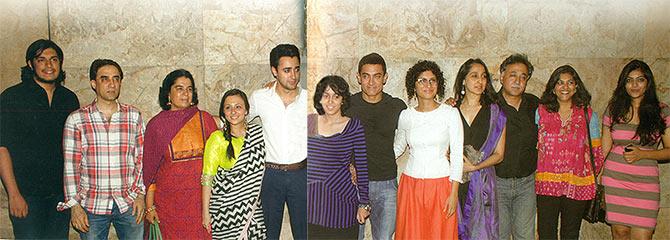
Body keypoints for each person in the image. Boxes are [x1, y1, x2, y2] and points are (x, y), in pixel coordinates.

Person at [0, 39, 79, 239]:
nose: (49, 65)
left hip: (61, 195)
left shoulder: (69, 98)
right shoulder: (12, 97)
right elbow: (2, 148)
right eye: (41, 59)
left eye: (54, 59)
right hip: (26, 195)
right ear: (30, 64)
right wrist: (14, 194)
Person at [58, 59, 146, 239]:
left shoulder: (133, 116)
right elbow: (71, 167)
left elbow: (141, 159)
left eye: (116, 79)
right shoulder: (77, 120)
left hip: (128, 203)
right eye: (104, 79)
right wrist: (74, 206)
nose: (111, 84)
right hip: (91, 205)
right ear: (93, 83)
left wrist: (140, 195)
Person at [142, 69, 218, 239]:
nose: (186, 94)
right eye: (180, 88)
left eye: (190, 89)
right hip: (168, 207)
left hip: (200, 204)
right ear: (168, 94)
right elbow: (150, 173)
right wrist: (150, 207)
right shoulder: (156, 125)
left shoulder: (204, 119)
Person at [394, 60, 463, 239]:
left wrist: (454, 192)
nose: (428, 85)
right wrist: (369, 160)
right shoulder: (406, 116)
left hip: (442, 186)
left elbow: (456, 154)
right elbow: (398, 147)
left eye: (432, 80)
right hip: (411, 186)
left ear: (438, 84)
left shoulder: (450, 113)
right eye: (422, 80)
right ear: (413, 86)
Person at [601, 60, 670, 240]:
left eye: (640, 80)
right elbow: (605, 148)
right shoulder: (614, 109)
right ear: (623, 84)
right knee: (619, 233)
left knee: (642, 236)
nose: (634, 85)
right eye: (629, 80)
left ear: (648, 83)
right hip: (615, 181)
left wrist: (643, 154)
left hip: (645, 185)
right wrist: (596, 175)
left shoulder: (662, 111)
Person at [535, 65, 604, 239]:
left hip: (577, 184)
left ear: (576, 87)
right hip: (547, 185)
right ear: (553, 87)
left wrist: (593, 179)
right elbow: (534, 146)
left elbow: (596, 151)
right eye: (560, 82)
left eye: (570, 82)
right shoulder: (541, 113)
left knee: (570, 234)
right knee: (546, 233)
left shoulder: (588, 115)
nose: (565, 87)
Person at [344, 53, 406, 240]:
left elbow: (421, 122)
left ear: (385, 78)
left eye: (377, 76)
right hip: (353, 185)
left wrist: (449, 106)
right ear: (358, 78)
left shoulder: (396, 106)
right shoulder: (347, 105)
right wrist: (348, 164)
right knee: (353, 237)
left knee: (385, 238)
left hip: (386, 184)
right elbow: (329, 138)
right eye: (366, 76)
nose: (371, 82)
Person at [248, 43, 307, 239]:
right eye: (287, 70)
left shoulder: (309, 99)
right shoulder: (260, 97)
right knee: (270, 233)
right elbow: (237, 119)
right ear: (274, 71)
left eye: (297, 69)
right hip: (271, 175)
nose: (294, 76)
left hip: (302, 174)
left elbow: (316, 138)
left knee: (304, 233)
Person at [307, 75, 370, 239]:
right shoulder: (310, 122)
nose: (330, 101)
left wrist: (364, 203)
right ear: (319, 99)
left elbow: (362, 167)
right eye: (326, 95)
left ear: (343, 100)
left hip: (342, 204)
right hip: (312, 204)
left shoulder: (353, 126)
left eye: (336, 96)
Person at [202, 89, 267, 239]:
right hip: (223, 213)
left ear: (246, 110)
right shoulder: (216, 139)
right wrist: (205, 213)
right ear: (223, 112)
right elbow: (207, 178)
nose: (233, 111)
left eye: (238, 106)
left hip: (252, 212)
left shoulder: (258, 135)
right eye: (228, 107)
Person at [453, 59, 506, 240]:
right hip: (455, 181)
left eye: (484, 77)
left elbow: (499, 154)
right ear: (463, 80)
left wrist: (475, 167)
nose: (480, 81)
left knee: (482, 232)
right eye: (474, 76)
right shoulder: (450, 111)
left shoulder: (495, 113)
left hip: (483, 181)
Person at [494, 54, 539, 240]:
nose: (518, 81)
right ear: (502, 75)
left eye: (523, 76)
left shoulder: (535, 104)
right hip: (497, 184)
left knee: (525, 236)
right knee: (500, 235)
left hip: (526, 183)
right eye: (513, 75)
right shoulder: (490, 104)